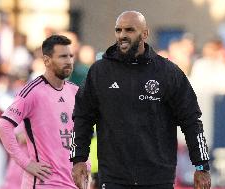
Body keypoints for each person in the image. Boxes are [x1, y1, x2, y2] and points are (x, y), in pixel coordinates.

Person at [70, 11, 211, 189]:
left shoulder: (167, 72)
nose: (122, 35)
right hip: (114, 178)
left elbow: (191, 120)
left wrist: (201, 166)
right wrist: (78, 159)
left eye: (129, 30)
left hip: (158, 178)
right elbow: (82, 117)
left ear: (145, 34)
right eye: (118, 30)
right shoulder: (100, 72)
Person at [0, 35, 80, 188]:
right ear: (47, 60)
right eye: (62, 56)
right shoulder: (32, 91)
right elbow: (3, 127)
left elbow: (81, 133)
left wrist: (85, 166)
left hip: (71, 184)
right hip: (44, 183)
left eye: (70, 56)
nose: (69, 61)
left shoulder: (75, 91)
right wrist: (27, 163)